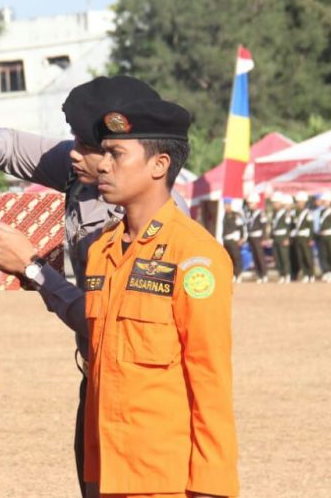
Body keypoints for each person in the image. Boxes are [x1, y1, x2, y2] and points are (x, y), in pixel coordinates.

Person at [0, 75, 190, 498]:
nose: (74, 152)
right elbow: (8, 142)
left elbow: (105, 323)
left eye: (91, 146)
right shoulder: (82, 173)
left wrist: (34, 269)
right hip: (96, 382)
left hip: (142, 394)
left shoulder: (157, 225)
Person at [80, 96, 239, 497]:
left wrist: (211, 484)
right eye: (103, 153)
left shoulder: (194, 255)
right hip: (108, 472)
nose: (103, 165)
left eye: (117, 154)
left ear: (159, 165)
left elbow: (210, 376)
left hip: (165, 479)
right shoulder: (102, 250)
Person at [244, 193, 270, 283]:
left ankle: (264, 274)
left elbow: (264, 226)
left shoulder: (261, 213)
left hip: (258, 237)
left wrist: (264, 238)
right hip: (251, 237)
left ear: (256, 203)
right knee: (255, 257)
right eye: (249, 203)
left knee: (260, 256)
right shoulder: (249, 214)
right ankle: (258, 274)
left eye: (251, 203)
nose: (249, 205)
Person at [316, 191, 331, 282]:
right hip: (323, 236)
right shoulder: (322, 212)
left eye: (326, 201)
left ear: (330, 201)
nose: (324, 203)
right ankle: (328, 272)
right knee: (324, 255)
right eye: (323, 201)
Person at [290, 191, 315, 283]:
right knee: (300, 257)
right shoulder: (294, 213)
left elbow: (311, 226)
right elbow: (292, 226)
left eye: (301, 202)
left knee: (307, 256)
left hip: (305, 237)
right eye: (298, 202)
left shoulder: (308, 213)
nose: (300, 203)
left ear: (305, 202)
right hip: (298, 237)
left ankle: (311, 274)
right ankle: (305, 274)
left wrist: (311, 238)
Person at [221, 199, 246, 282]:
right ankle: (232, 275)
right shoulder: (224, 215)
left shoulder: (236, 215)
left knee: (236, 257)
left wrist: (241, 238)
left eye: (227, 204)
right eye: (224, 204)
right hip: (226, 239)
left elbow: (241, 227)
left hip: (233, 239)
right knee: (229, 258)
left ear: (230, 205)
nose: (225, 206)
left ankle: (238, 274)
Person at [270, 193, 292, 283]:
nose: (274, 204)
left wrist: (287, 238)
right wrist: (271, 237)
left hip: (283, 237)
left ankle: (287, 274)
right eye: (273, 203)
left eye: (276, 202)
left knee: (284, 257)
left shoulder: (285, 213)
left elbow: (289, 226)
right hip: (275, 237)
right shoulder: (274, 213)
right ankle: (281, 274)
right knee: (277, 257)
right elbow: (272, 226)